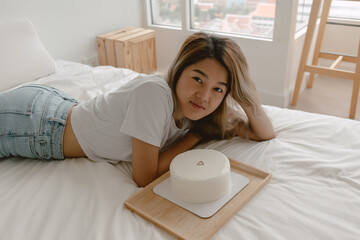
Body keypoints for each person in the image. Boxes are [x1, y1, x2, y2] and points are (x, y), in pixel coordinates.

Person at [0, 32, 275, 187]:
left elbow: (264, 132)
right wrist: (196, 137)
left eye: (218, 88)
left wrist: (245, 93)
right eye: (198, 79)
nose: (204, 96)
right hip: (38, 125)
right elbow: (144, 177)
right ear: (179, 71)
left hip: (56, 106)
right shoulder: (154, 94)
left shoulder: (203, 109)